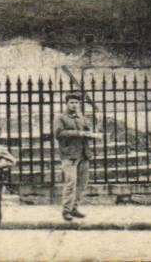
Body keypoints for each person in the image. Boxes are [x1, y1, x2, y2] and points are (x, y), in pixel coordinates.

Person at [53, 92, 101, 222]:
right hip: (69, 155)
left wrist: (93, 132)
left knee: (82, 183)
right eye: (72, 103)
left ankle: (74, 208)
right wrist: (79, 133)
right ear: (67, 104)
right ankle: (66, 210)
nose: (74, 105)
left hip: (83, 154)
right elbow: (59, 134)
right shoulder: (61, 118)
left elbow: (87, 130)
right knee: (71, 183)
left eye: (76, 103)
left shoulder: (81, 117)